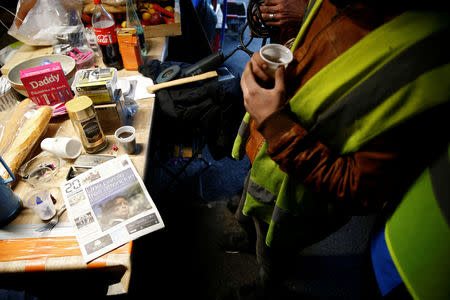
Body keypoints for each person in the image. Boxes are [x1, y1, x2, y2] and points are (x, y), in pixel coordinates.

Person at [224, 0, 450, 298]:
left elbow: (359, 188)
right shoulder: (339, 5)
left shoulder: (431, 63)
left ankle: (268, 284)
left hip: (299, 185)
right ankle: (246, 231)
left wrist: (276, 126)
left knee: (274, 244)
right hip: (266, 152)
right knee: (249, 203)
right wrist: (275, 69)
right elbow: (319, 57)